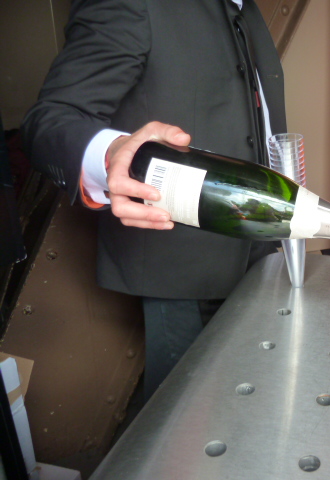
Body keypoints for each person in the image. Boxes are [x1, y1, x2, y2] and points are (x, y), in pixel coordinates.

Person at [21, 0, 287, 401]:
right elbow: (50, 119)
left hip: (259, 253)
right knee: (182, 418)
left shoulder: (245, 9)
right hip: (179, 263)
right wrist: (110, 155)